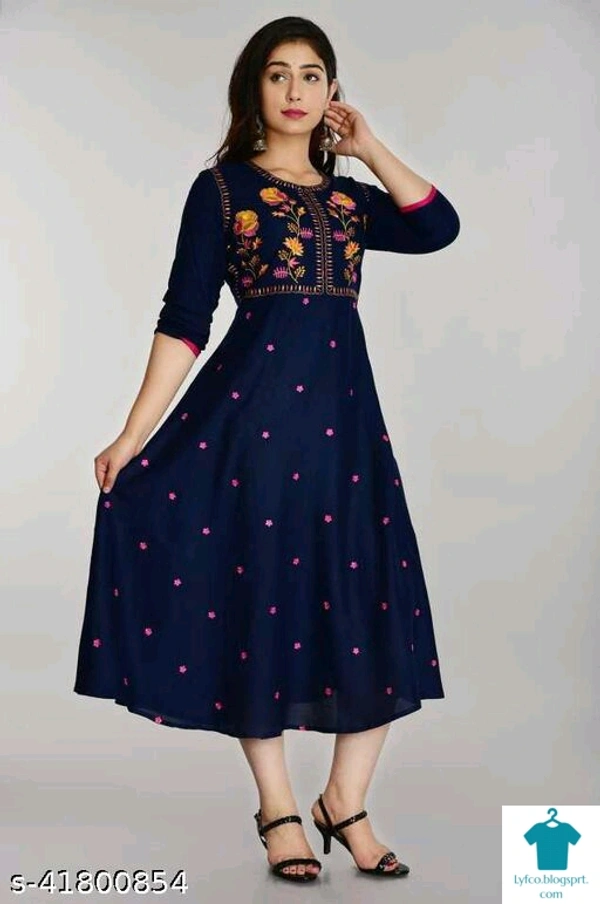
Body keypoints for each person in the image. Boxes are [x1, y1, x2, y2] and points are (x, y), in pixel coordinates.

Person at [73, 15, 460, 884]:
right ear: (254, 88)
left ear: (333, 92)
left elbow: (438, 227)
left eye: (312, 75)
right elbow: (185, 319)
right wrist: (133, 434)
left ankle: (346, 802)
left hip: (348, 436)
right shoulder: (222, 191)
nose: (295, 90)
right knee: (262, 606)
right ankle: (279, 808)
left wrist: (369, 149)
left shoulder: (353, 201)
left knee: (370, 601)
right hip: (252, 433)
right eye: (278, 74)